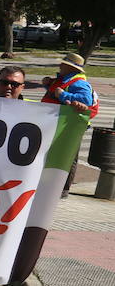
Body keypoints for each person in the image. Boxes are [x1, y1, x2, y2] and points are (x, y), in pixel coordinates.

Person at [42, 52, 98, 198]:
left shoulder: (79, 83)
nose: (60, 66)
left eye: (63, 64)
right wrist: (48, 85)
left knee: (68, 157)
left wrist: (63, 95)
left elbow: (86, 100)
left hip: (70, 126)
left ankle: (62, 189)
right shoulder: (65, 79)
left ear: (71, 68)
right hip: (60, 123)